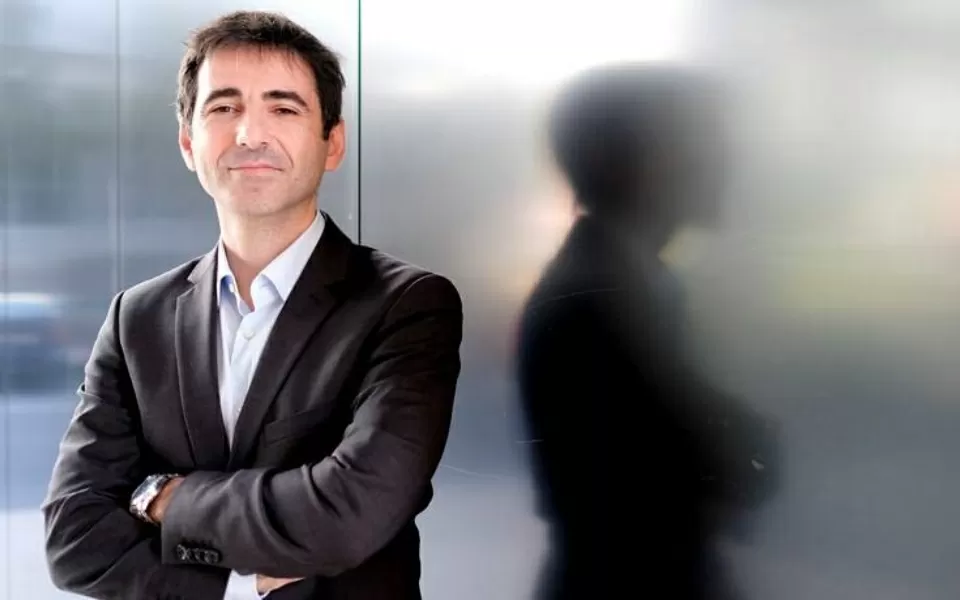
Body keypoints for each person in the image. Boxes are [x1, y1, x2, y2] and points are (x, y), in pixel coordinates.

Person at [42, 10, 463, 600]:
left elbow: (350, 511)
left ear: (333, 142)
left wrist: (164, 498)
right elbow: (73, 539)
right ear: (188, 142)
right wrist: (232, 585)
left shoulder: (407, 305)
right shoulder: (136, 319)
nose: (249, 134)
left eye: (284, 109)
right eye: (224, 107)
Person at [515, 64, 778, 599]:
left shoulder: (621, 282)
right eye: (708, 141)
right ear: (650, 159)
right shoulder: (603, 297)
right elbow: (714, 461)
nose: (728, 161)